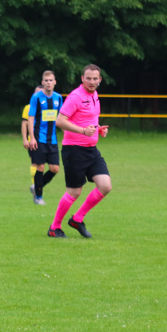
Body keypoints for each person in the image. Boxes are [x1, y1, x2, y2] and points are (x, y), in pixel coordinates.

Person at [48, 64, 111, 238]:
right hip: (74, 150)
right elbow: (60, 121)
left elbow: (89, 120)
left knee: (105, 186)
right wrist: (83, 131)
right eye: (88, 78)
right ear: (82, 79)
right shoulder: (76, 97)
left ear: (100, 80)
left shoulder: (95, 94)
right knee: (74, 192)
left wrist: (98, 130)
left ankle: (77, 218)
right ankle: (54, 227)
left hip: (92, 151)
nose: (92, 82)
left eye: (95, 78)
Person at [27, 72, 63, 205]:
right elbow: (30, 118)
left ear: (55, 82)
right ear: (42, 82)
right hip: (39, 137)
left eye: (51, 80)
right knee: (40, 166)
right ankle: (39, 197)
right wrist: (32, 138)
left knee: (55, 169)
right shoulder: (36, 97)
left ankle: (37, 186)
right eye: (46, 80)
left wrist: (67, 134)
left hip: (52, 139)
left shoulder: (58, 98)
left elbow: (61, 119)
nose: (48, 82)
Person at [21, 86, 42, 199]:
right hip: (33, 140)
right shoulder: (28, 107)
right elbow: (24, 124)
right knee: (35, 163)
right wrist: (25, 139)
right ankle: (35, 185)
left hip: (46, 140)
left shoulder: (47, 107)